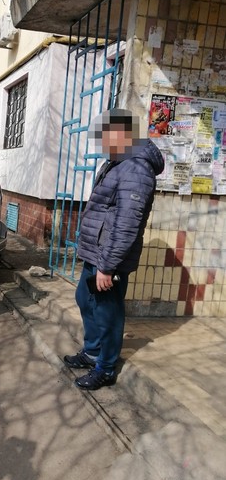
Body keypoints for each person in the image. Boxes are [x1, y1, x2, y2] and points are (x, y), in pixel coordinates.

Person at [63, 108, 164, 390]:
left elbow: (127, 223)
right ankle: (92, 351)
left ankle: (105, 368)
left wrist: (107, 266)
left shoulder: (136, 168)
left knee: (107, 312)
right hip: (96, 251)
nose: (102, 142)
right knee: (85, 299)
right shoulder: (118, 162)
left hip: (108, 258)